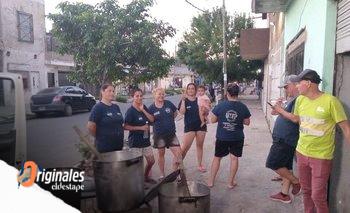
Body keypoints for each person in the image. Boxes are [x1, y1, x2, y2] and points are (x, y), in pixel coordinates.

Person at [273, 69, 350, 213]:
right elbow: (297, 119)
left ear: (308, 83)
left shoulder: (331, 101)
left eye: (299, 83)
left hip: (321, 157)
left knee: (317, 196)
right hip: (302, 153)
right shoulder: (300, 100)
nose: (296, 86)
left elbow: (346, 128)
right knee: (306, 191)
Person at [207, 83, 251, 188]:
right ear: (238, 94)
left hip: (222, 137)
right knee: (234, 159)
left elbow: (212, 120)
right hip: (237, 137)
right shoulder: (243, 107)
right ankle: (230, 183)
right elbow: (247, 122)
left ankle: (210, 182)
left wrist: (221, 118)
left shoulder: (221, 105)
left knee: (217, 158)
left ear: (227, 93)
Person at [265, 75, 301, 204]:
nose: (286, 90)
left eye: (287, 87)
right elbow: (281, 114)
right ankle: (284, 194)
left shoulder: (299, 100)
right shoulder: (292, 99)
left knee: (273, 163)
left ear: (295, 84)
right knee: (286, 166)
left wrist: (280, 109)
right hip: (284, 138)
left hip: (285, 138)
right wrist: (278, 108)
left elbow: (296, 118)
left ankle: (296, 182)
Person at [148, 87, 182, 180]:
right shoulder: (151, 108)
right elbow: (150, 121)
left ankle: (175, 173)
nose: (161, 96)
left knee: (179, 154)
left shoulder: (169, 103)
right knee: (161, 155)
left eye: (163, 94)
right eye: (159, 94)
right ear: (154, 95)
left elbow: (175, 113)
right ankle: (162, 174)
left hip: (171, 134)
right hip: (159, 136)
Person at [124, 88, 156, 183]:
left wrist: (144, 111)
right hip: (135, 142)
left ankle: (145, 177)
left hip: (145, 141)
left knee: (151, 161)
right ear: (132, 97)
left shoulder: (144, 107)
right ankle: (138, 183)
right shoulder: (130, 111)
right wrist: (140, 128)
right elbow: (125, 126)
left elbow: (152, 120)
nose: (139, 98)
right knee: (137, 165)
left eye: (141, 96)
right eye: (137, 96)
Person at [179, 83, 208, 172]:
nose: (191, 90)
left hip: (201, 126)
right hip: (189, 127)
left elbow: (206, 112)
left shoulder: (200, 99)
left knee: (200, 146)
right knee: (184, 148)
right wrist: (183, 100)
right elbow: (182, 112)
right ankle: (178, 165)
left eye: (192, 88)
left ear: (195, 90)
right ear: (187, 90)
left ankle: (199, 165)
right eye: (189, 88)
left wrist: (205, 110)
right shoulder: (184, 100)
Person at [87, 84, 124, 153]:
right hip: (105, 147)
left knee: (118, 163)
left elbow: (120, 123)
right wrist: (101, 137)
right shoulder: (98, 108)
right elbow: (90, 126)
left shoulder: (116, 107)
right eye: (109, 91)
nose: (112, 93)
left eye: (113, 91)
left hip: (118, 145)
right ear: (102, 92)